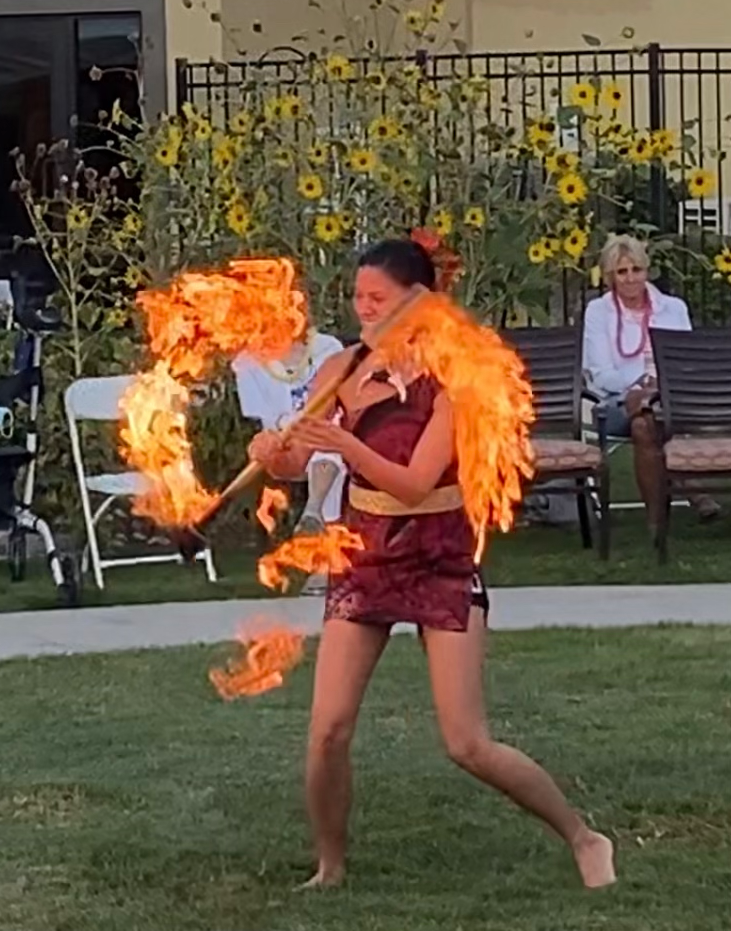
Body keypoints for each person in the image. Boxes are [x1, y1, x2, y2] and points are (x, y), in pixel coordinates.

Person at [248, 238, 616, 891]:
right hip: (363, 550)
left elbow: (416, 481)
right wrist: (274, 449)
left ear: (418, 304)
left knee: (466, 742)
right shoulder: (342, 367)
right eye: (358, 297)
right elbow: (295, 463)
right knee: (327, 730)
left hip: (439, 552)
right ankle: (329, 865)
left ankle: (584, 837)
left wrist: (341, 443)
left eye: (378, 299)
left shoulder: (454, 376)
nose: (364, 309)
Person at [583, 233, 720, 530]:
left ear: (646, 270)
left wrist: (656, 387)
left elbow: (684, 363)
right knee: (641, 412)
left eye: (637, 269)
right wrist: (640, 384)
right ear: (611, 277)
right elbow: (600, 373)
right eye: (622, 271)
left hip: (668, 399)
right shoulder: (598, 312)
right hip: (617, 401)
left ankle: (656, 525)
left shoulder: (673, 308)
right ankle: (692, 490)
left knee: (644, 424)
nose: (631, 278)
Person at [232, 324, 346, 591]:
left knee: (328, 445)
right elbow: (268, 423)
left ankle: (314, 516)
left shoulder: (328, 348)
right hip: (284, 446)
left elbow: (339, 403)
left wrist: (313, 426)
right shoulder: (247, 362)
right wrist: (295, 428)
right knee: (326, 445)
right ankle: (320, 540)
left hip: (328, 434)